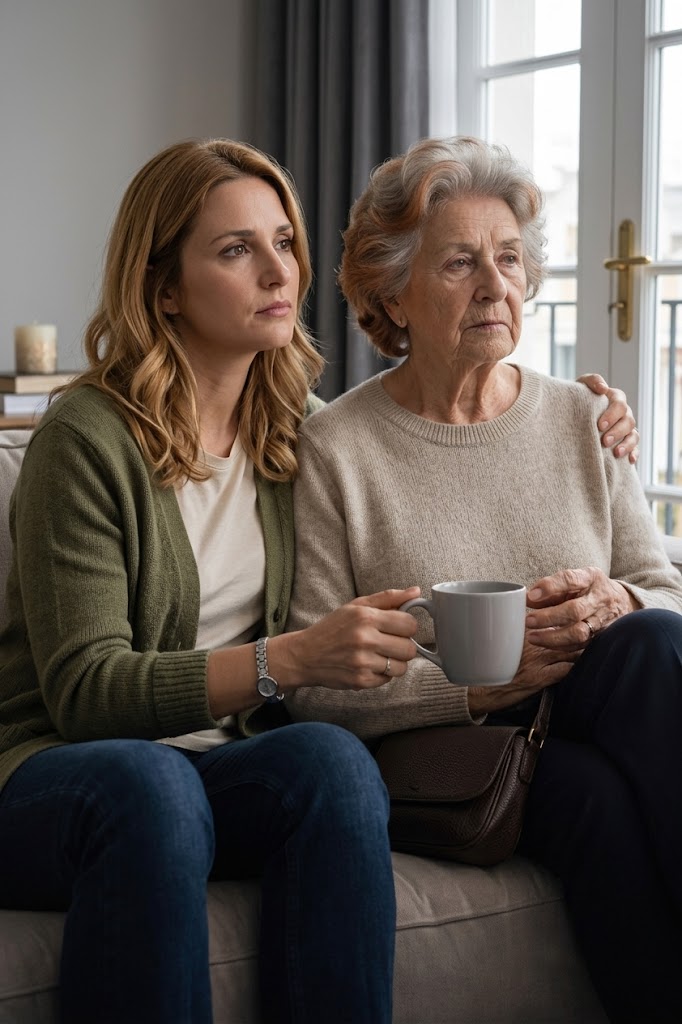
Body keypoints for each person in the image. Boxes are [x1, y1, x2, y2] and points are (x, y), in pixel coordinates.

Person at [0, 136, 636, 1024]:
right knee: (152, 788)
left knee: (333, 765)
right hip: (62, 775)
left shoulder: (294, 429)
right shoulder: (86, 438)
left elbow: (426, 461)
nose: (276, 270)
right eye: (235, 249)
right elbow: (83, 693)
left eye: (284, 241)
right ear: (164, 288)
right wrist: (287, 661)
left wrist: (585, 415)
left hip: (220, 768)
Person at [284, 136, 682, 1024]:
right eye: (459, 262)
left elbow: (666, 591)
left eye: (508, 259)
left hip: (592, 699)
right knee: (595, 806)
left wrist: (619, 599)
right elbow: (311, 690)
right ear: (392, 291)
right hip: (449, 742)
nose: (494, 284)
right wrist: (475, 687)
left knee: (651, 636)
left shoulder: (586, 419)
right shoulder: (337, 450)